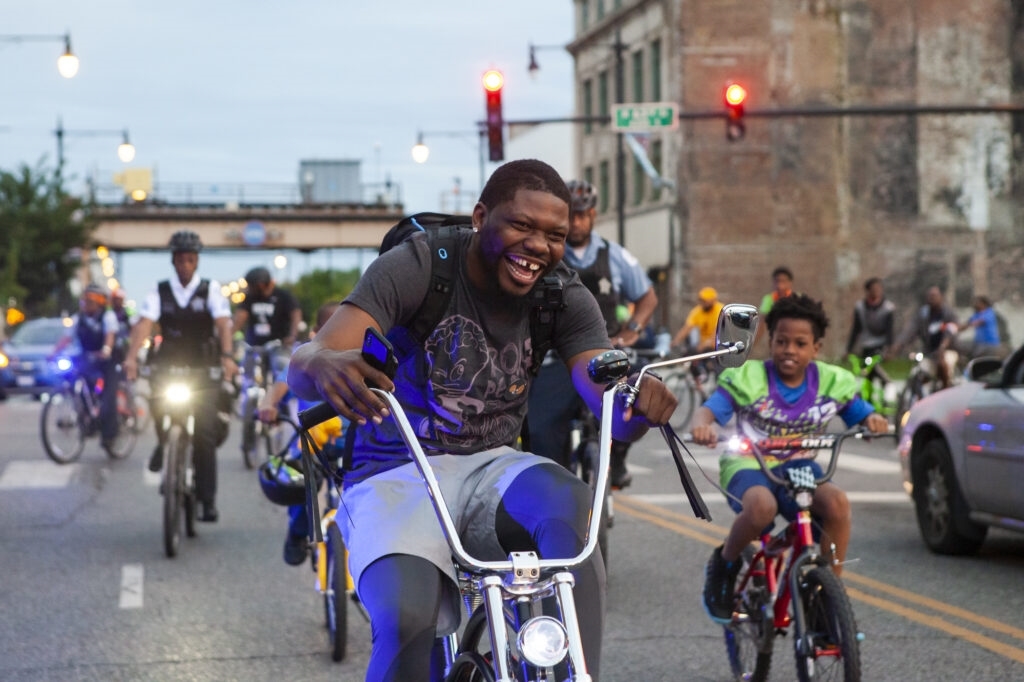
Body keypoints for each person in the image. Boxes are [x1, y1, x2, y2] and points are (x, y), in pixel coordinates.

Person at [287, 159, 676, 681]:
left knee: (572, 506)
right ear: (480, 217)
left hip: (493, 466)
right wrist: (322, 363)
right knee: (409, 619)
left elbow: (605, 396)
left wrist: (635, 405)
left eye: (555, 235)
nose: (539, 245)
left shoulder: (561, 291)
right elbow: (308, 361)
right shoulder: (419, 265)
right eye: (522, 225)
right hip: (395, 474)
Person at [690, 294, 889, 624]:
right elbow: (709, 410)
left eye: (800, 343)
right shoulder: (749, 378)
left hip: (799, 467)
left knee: (837, 504)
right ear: (770, 342)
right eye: (782, 341)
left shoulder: (831, 382)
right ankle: (724, 563)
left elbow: (861, 414)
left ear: (816, 348)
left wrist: (873, 421)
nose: (789, 351)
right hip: (749, 464)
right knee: (761, 508)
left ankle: (827, 596)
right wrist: (702, 425)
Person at [526, 178, 659, 488]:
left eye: (583, 215)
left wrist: (632, 331)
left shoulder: (614, 255)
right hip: (556, 358)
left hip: (606, 353)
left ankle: (618, 458)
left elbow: (647, 297)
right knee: (541, 428)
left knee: (633, 404)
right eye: (571, 215)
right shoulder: (547, 252)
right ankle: (551, 487)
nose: (576, 223)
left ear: (593, 216)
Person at [124, 230, 237, 523]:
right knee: (158, 404)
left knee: (205, 433)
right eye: (180, 260)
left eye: (190, 259)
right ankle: (165, 445)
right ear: (173, 261)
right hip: (168, 365)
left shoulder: (210, 289)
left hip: (203, 368)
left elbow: (224, 324)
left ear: (196, 261)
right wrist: (131, 357)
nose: (185, 265)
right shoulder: (159, 291)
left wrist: (227, 358)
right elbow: (144, 325)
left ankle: (207, 500)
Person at [258, 302, 344, 566]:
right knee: (301, 483)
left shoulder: (364, 354)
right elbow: (283, 383)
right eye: (330, 328)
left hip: (352, 443)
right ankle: (296, 534)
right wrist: (268, 404)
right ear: (315, 331)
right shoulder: (303, 358)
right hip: (310, 443)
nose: (339, 335)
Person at [52, 283, 121, 453]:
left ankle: (109, 436)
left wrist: (106, 350)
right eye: (85, 300)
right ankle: (87, 418)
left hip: (108, 359)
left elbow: (110, 336)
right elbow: (66, 338)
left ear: (99, 302)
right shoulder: (79, 318)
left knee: (108, 398)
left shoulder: (108, 316)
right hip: (88, 357)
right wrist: (53, 353)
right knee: (77, 379)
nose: (86, 304)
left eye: (91, 300)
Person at [891, 285, 959, 390]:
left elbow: (951, 331)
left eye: (935, 296)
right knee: (919, 372)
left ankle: (946, 388)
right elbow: (910, 330)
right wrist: (898, 344)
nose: (932, 299)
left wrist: (943, 346)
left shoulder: (948, 313)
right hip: (929, 352)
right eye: (930, 296)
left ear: (941, 297)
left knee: (943, 364)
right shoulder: (923, 315)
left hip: (947, 351)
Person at [845, 276, 896, 385]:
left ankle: (887, 384)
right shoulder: (860, 307)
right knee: (866, 374)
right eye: (874, 289)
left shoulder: (888, 308)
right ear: (868, 291)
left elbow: (889, 330)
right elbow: (856, 329)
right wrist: (849, 349)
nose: (877, 292)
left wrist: (889, 349)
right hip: (867, 345)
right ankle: (868, 398)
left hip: (880, 345)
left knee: (874, 367)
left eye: (879, 289)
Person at [670, 286, 724, 388]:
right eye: (701, 300)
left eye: (705, 300)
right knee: (689, 353)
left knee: (719, 372)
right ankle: (699, 380)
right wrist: (675, 341)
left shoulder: (720, 310)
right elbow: (687, 328)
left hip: (718, 345)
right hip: (704, 346)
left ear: (712, 300)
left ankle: (715, 384)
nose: (702, 303)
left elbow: (718, 330)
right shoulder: (698, 311)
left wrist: (706, 343)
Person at [962, 295, 1003, 360]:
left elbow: (979, 322)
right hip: (979, 343)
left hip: (989, 344)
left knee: (974, 355)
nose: (975, 304)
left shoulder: (989, 312)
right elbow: (965, 324)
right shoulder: (976, 314)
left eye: (977, 302)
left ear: (984, 304)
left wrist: (969, 325)